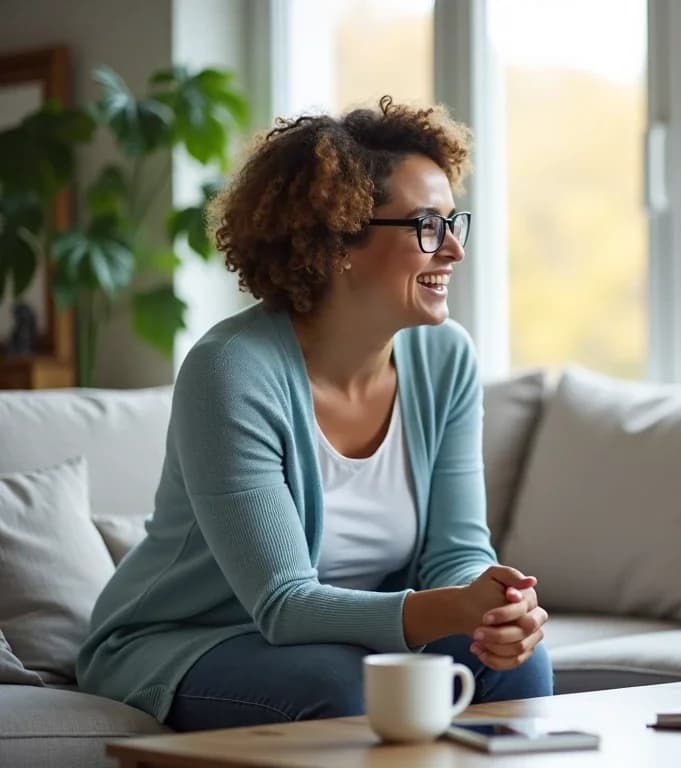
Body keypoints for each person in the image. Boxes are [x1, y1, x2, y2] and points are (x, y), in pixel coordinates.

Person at [77, 96, 552, 730]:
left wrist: (494, 607)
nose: (453, 251)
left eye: (452, 222)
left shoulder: (446, 358)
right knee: (338, 687)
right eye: (426, 226)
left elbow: (457, 551)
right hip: (189, 639)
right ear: (339, 243)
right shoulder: (231, 371)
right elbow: (282, 604)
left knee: (517, 664)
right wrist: (451, 610)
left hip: (340, 639)